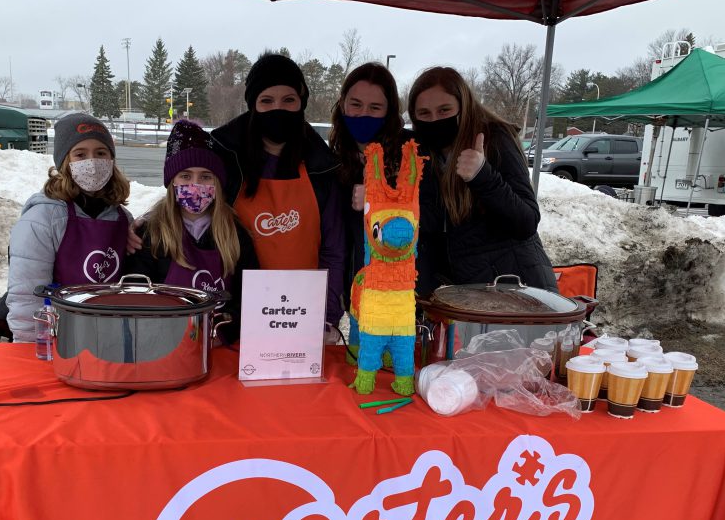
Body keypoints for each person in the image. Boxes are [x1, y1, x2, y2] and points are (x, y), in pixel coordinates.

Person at [211, 53, 345, 334]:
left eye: (288, 100)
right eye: (267, 101)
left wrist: (327, 314)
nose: (278, 109)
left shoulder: (321, 167)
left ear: (301, 104)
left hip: (302, 314)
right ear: (253, 106)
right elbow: (191, 215)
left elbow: (333, 249)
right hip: (238, 312)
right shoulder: (225, 158)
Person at [407, 66, 557, 296]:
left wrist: (482, 176)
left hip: (518, 290)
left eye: (444, 110)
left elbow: (526, 221)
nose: (435, 119)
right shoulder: (424, 154)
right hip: (470, 294)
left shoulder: (494, 139)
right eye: (425, 113)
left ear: (463, 107)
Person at [123, 120, 258, 344]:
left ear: (217, 183)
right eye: (185, 176)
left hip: (219, 347)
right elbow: (136, 295)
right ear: (172, 182)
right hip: (164, 345)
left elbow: (250, 296)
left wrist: (226, 329)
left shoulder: (235, 234)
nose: (195, 184)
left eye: (205, 177)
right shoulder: (152, 233)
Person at [7, 113, 133, 342]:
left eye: (101, 153)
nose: (92, 163)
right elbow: (27, 295)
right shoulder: (43, 218)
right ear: (66, 162)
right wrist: (30, 347)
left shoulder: (123, 219)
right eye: (81, 154)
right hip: (59, 340)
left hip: (108, 341)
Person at [328, 62, 414, 304]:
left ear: (389, 111)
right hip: (359, 287)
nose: (363, 113)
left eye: (375, 107)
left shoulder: (411, 153)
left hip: (404, 290)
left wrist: (381, 201)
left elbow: (431, 213)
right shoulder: (335, 157)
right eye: (356, 104)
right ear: (343, 102)